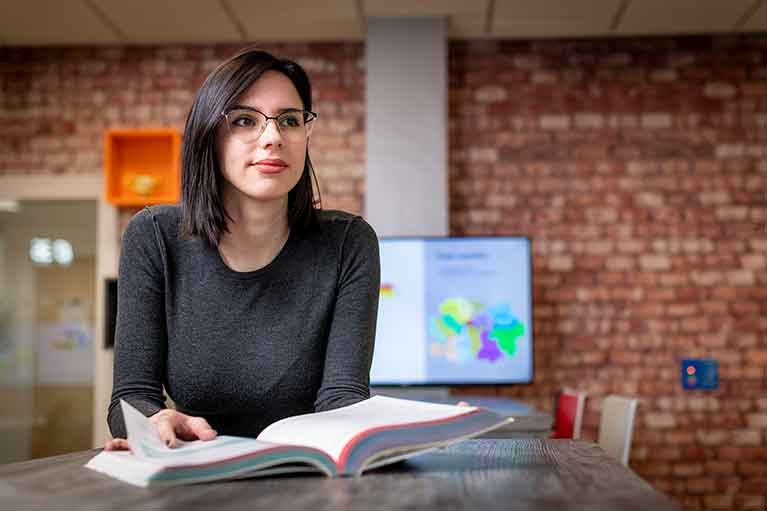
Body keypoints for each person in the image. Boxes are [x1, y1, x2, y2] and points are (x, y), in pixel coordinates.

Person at [105, 48, 380, 450]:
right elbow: (130, 396)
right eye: (245, 121)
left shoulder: (349, 243)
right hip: (191, 474)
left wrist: (418, 428)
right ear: (209, 136)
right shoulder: (154, 236)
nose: (273, 138)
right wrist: (153, 420)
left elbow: (343, 399)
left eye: (289, 120)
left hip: (307, 475)